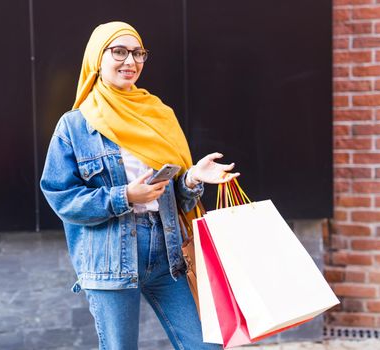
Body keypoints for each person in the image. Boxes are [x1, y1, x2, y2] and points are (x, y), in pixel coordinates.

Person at [40, 21, 239, 350]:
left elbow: (177, 201)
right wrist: (124, 196)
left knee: (205, 346)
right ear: (96, 58)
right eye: (119, 51)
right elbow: (61, 197)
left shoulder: (159, 114)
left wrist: (191, 178)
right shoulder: (76, 125)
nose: (130, 61)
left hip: (167, 254)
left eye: (137, 53)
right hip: (110, 258)